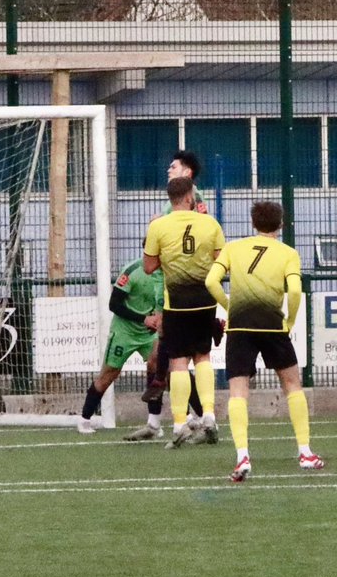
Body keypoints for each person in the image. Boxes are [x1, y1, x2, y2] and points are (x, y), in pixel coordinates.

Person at [206, 201, 324, 479]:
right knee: (292, 384)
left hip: (240, 327)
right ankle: (305, 451)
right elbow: (294, 291)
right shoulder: (288, 253)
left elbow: (211, 281)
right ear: (281, 225)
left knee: (238, 390)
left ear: (253, 223)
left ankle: (242, 456)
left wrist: (228, 305)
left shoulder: (234, 248)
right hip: (273, 325)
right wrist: (290, 320)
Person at [143, 176, 226, 449]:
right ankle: (210, 417)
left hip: (176, 301)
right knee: (203, 356)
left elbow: (148, 267)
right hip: (205, 298)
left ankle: (179, 424)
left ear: (170, 199)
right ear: (190, 197)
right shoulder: (210, 224)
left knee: (178, 361)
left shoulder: (159, 226)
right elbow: (221, 263)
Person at [140, 150, 215, 416]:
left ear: (187, 173)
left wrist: (156, 226)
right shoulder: (171, 203)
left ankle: (186, 417)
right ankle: (188, 417)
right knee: (175, 354)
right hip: (171, 283)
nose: (168, 170)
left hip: (181, 286)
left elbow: (198, 232)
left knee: (178, 356)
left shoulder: (194, 198)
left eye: (173, 166)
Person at [75, 259, 164, 435]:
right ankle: (84, 419)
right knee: (109, 375)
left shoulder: (167, 272)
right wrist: (144, 318)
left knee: (161, 368)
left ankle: (156, 422)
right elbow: (114, 304)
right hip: (124, 333)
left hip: (149, 333)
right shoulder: (132, 271)